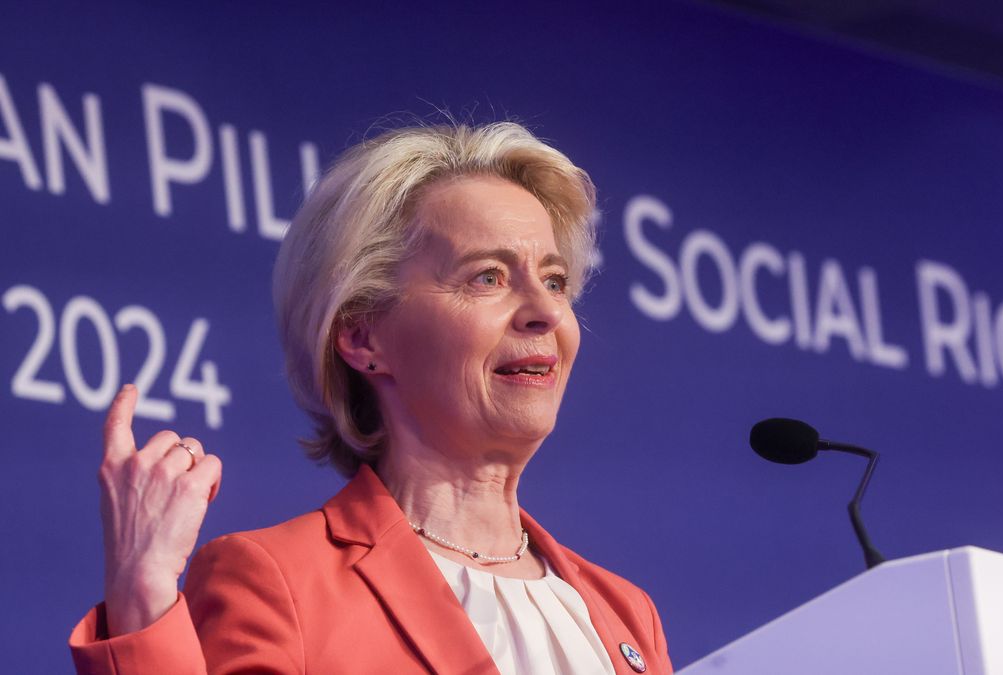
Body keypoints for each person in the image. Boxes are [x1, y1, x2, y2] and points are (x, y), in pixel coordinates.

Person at [69, 123, 672, 674]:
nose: (545, 312)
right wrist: (141, 595)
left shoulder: (625, 613)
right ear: (362, 335)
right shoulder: (279, 582)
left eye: (555, 280)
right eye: (487, 276)